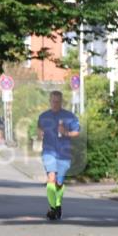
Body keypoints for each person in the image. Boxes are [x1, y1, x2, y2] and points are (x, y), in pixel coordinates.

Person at [37, 91, 80, 220]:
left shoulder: (69, 116)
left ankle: (58, 204)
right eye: (53, 101)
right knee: (51, 178)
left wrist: (66, 133)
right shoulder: (43, 116)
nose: (55, 104)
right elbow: (39, 128)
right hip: (48, 152)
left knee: (59, 182)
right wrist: (40, 133)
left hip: (64, 154)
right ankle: (53, 208)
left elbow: (76, 132)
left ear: (61, 102)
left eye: (58, 101)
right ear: (50, 101)